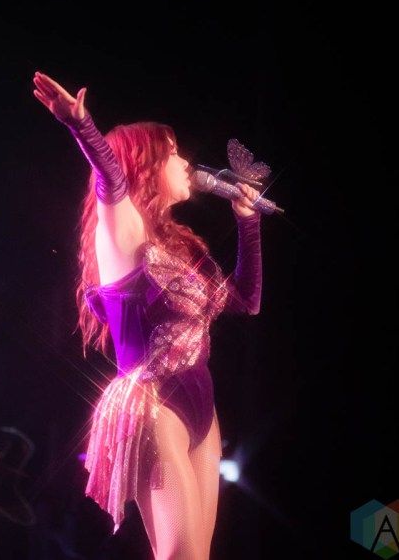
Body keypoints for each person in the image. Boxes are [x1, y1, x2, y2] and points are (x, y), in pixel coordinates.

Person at [33, 71, 264, 560]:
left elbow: (247, 301)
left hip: (203, 410)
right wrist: (82, 126)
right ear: (147, 164)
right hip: (154, 405)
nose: (186, 163)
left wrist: (247, 225)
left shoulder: (181, 249)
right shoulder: (123, 234)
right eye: (174, 153)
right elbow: (111, 179)